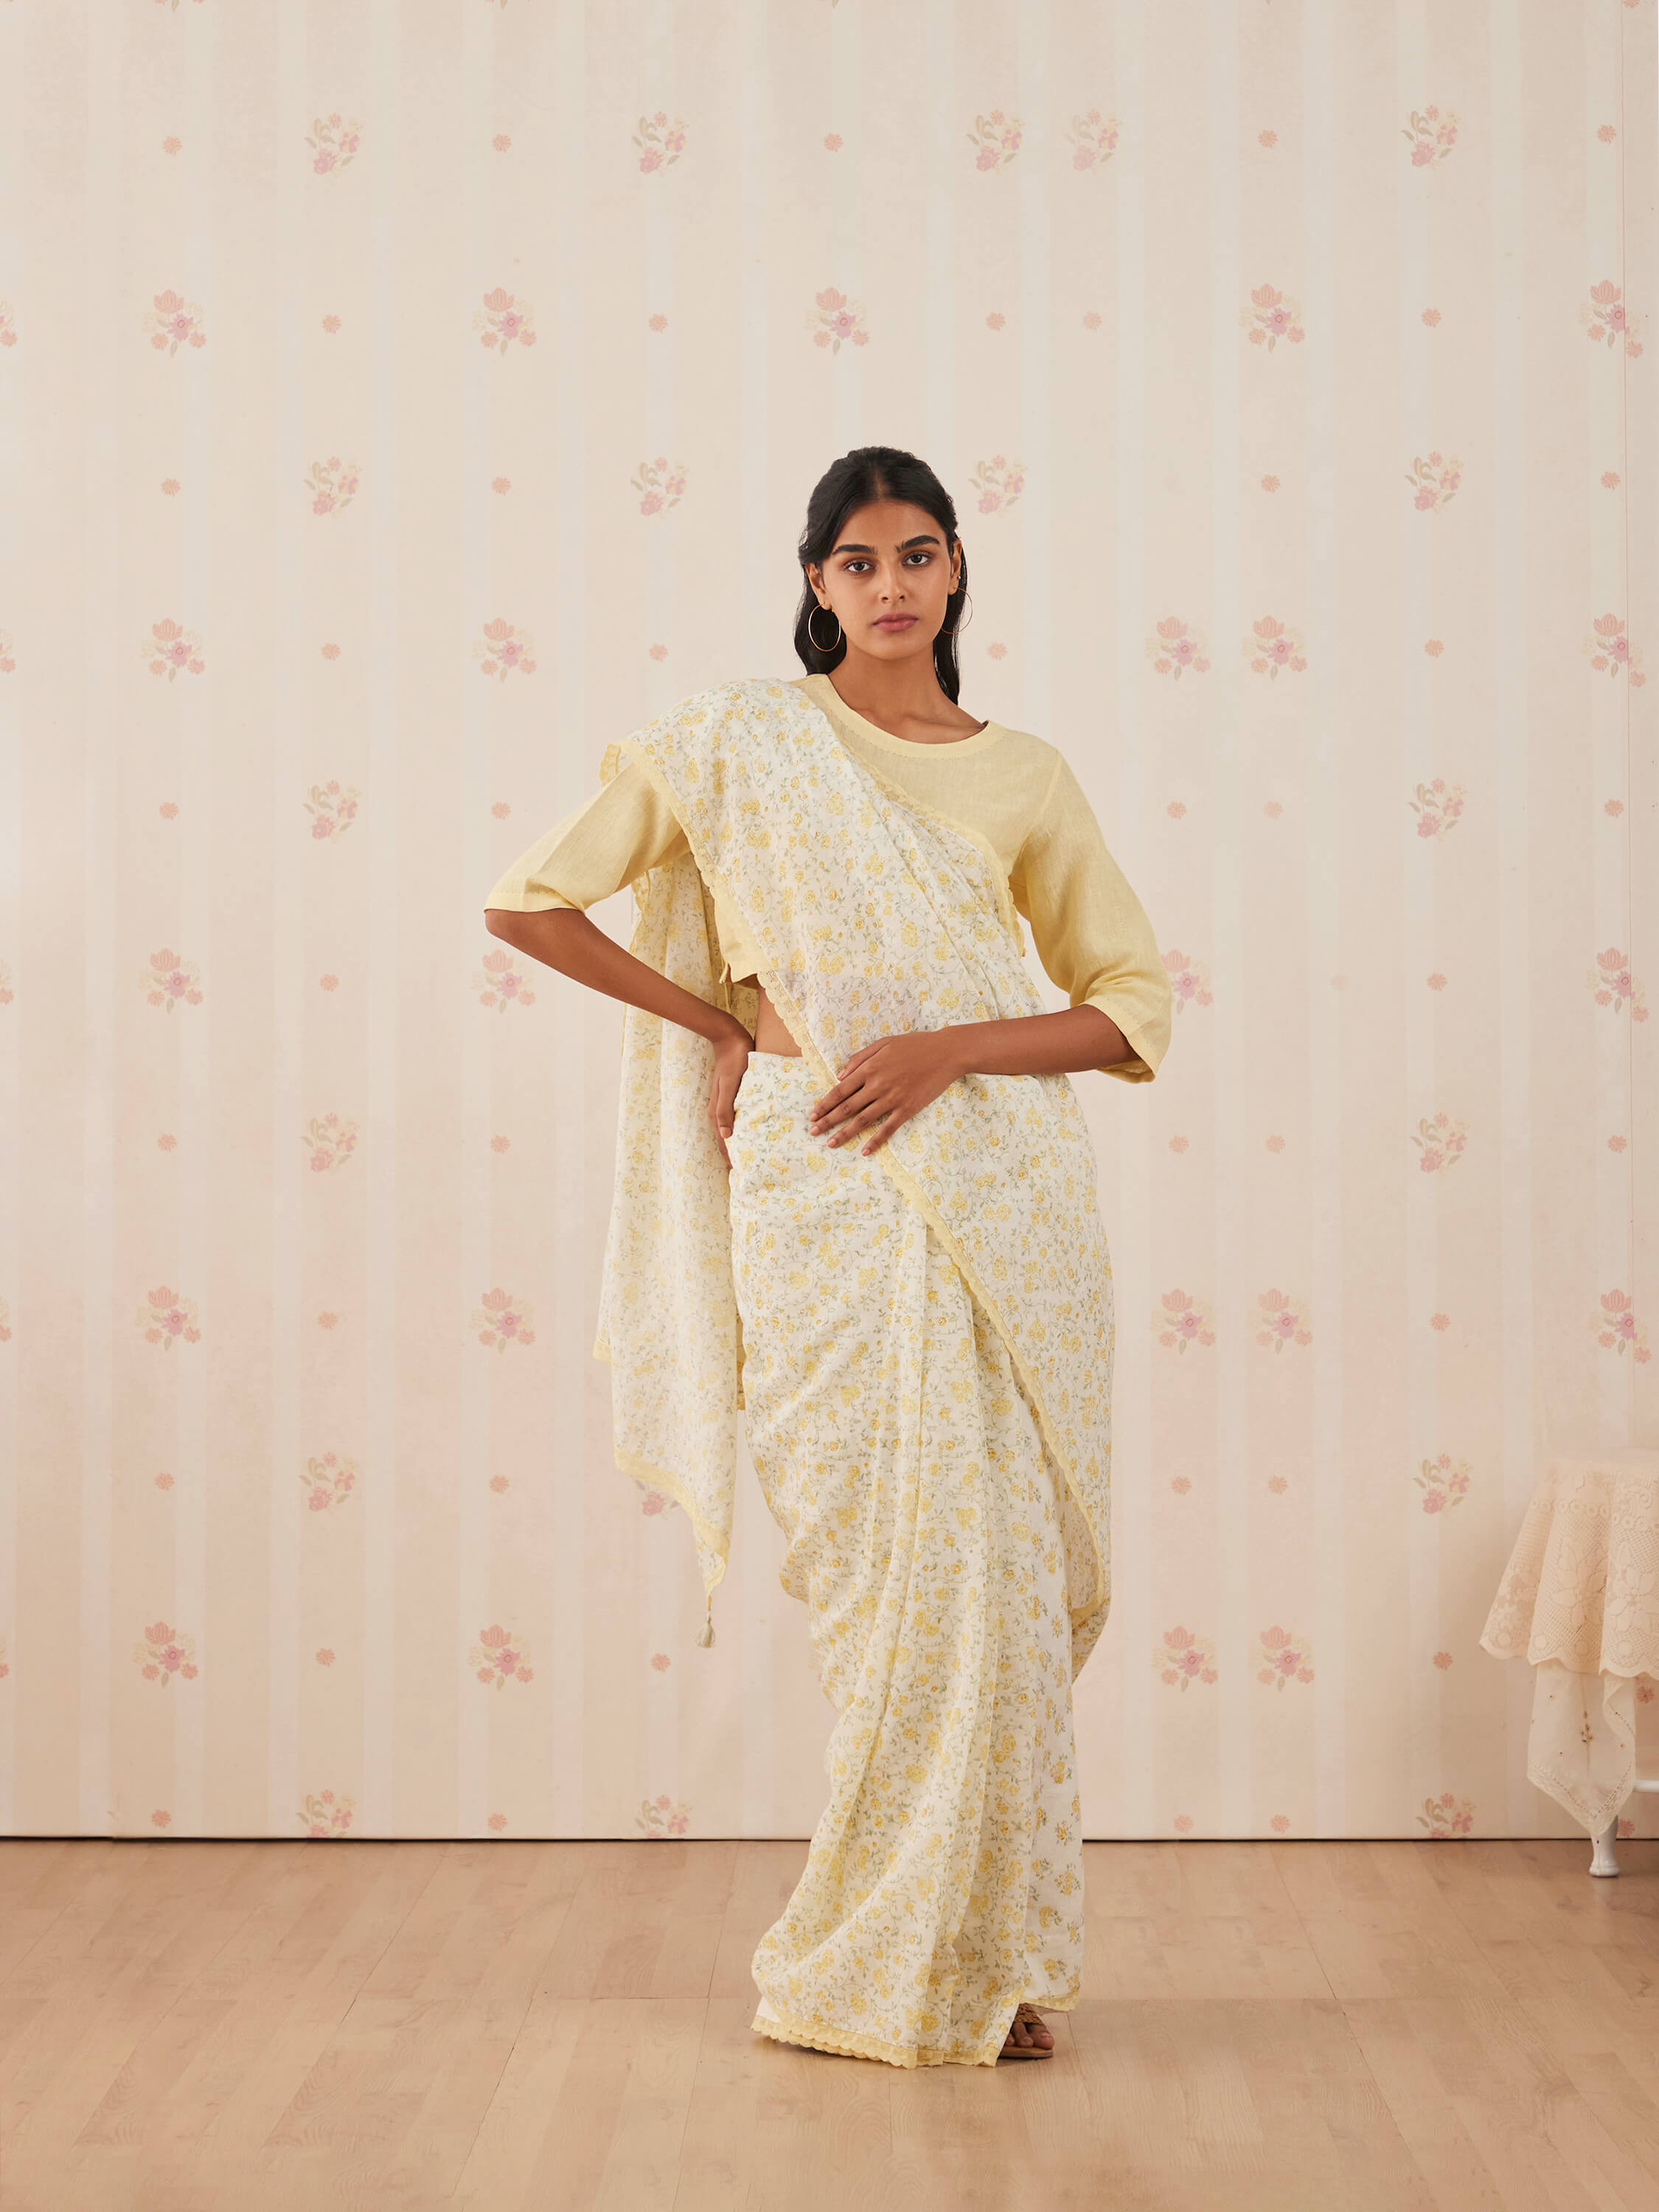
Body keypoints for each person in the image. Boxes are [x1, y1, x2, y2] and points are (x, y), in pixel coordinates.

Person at [483, 445, 1171, 2067]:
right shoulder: (742, 743)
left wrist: (947, 1048)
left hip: (1005, 1192)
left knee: (992, 1592)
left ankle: (975, 1964)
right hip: (823, 1190)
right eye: (857, 562)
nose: (890, 587)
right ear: (816, 583)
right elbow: (530, 903)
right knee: (890, 1593)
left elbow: (1128, 1005)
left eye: (917, 555)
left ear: (955, 574)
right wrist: (725, 1017)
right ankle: (878, 1959)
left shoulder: (1025, 775)